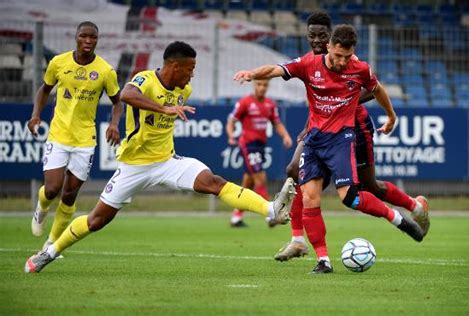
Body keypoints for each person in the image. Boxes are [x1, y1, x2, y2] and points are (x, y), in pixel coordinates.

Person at [24, 41, 296, 273]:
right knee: (97, 220)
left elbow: (171, 99)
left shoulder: (183, 90)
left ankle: (271, 209)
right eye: (190, 69)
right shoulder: (145, 80)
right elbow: (128, 94)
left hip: (167, 162)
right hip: (134, 166)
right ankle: (49, 252)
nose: (192, 76)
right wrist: (162, 109)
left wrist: (168, 110)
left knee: (213, 181)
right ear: (175, 66)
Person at [233, 24, 428, 274]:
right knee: (310, 198)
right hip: (314, 141)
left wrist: (391, 116)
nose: (342, 62)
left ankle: (398, 219)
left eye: (347, 57)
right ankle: (323, 260)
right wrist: (252, 73)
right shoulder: (308, 64)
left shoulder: (360, 69)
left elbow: (377, 89)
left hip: (341, 140)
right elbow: (275, 69)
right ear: (328, 47)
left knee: (351, 197)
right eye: (338, 56)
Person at [28, 21, 123, 251]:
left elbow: (117, 101)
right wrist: (36, 114)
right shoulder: (58, 63)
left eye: (93, 37)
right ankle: (41, 209)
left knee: (69, 195)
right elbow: (45, 89)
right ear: (76, 37)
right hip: (59, 135)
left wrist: (114, 123)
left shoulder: (105, 71)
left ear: (97, 40)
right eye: (84, 36)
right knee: (52, 189)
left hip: (85, 140)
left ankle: (50, 245)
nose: (88, 41)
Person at [227, 79, 293, 227]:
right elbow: (231, 120)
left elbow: (276, 123)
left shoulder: (270, 104)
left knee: (248, 183)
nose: (262, 87)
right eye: (259, 84)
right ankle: (271, 214)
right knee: (260, 178)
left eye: (265, 85)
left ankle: (236, 217)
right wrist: (231, 135)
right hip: (248, 145)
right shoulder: (245, 102)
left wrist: (285, 136)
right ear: (254, 85)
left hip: (260, 146)